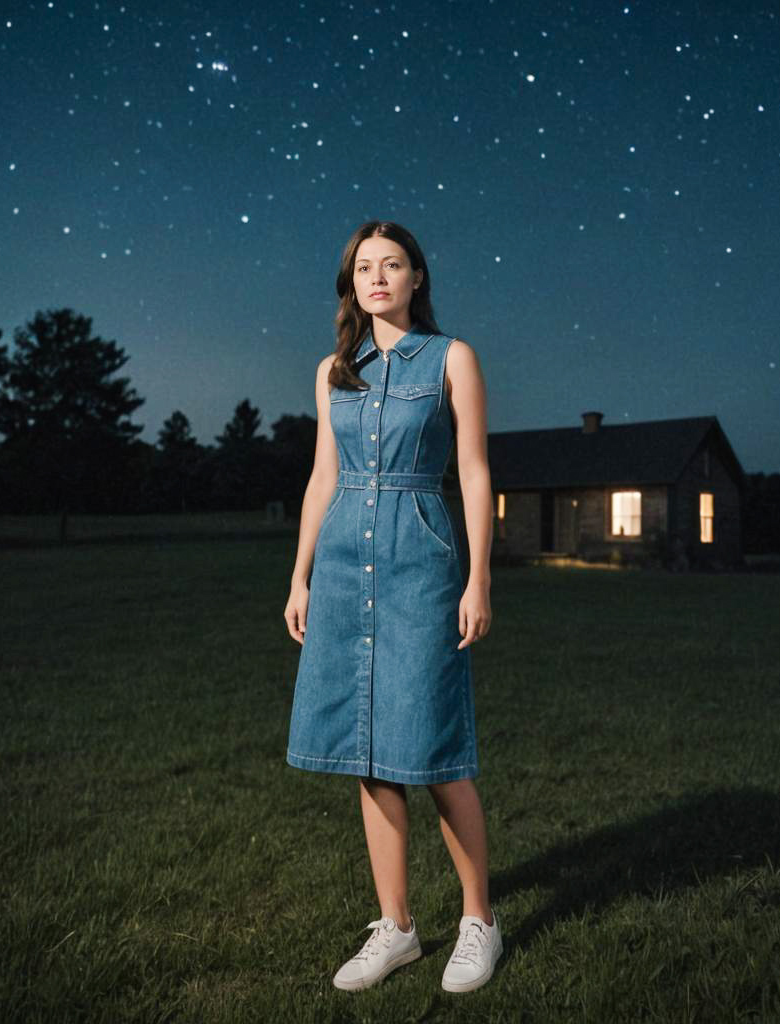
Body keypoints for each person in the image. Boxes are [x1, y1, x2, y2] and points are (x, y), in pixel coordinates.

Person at [283, 220, 501, 993]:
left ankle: (478, 921)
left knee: (434, 749)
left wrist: (478, 578)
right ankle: (398, 928)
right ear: (353, 285)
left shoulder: (452, 358)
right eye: (365, 268)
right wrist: (300, 576)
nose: (379, 278)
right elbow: (321, 477)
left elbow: (474, 473)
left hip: (421, 565)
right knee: (369, 756)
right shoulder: (333, 371)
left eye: (393, 265)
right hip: (343, 566)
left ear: (416, 279)